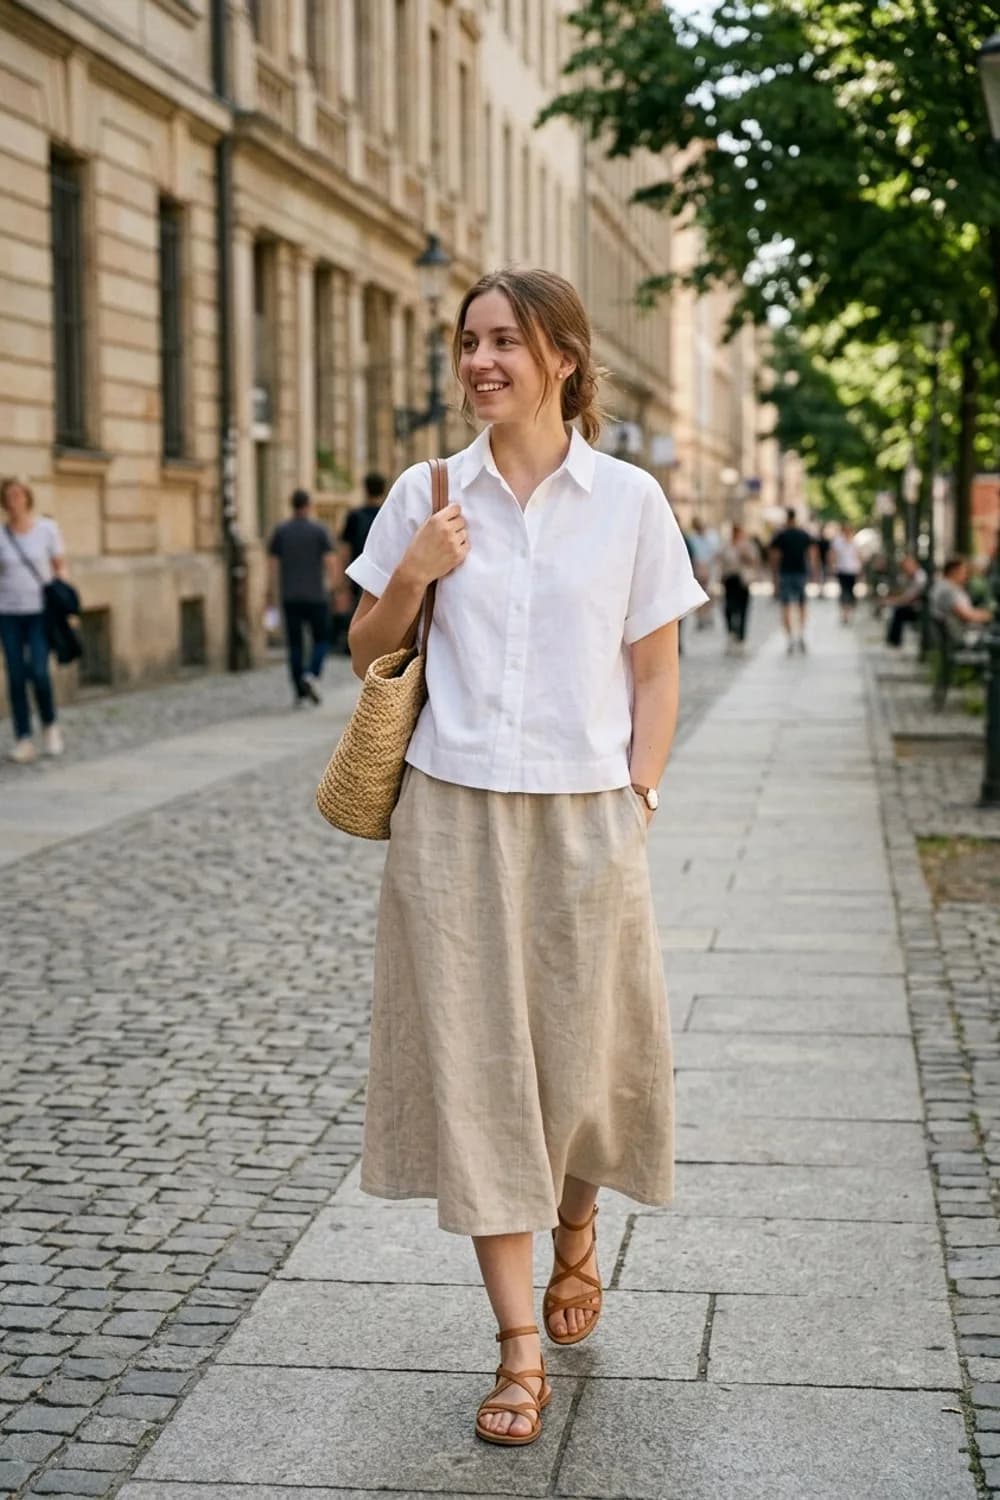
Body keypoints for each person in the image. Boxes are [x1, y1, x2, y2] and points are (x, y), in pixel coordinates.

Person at [345, 268, 707, 1448]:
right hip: (449, 814)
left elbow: (654, 669)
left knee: (581, 1054)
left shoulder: (629, 500)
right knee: (478, 1071)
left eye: (506, 341)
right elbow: (365, 648)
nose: (480, 361)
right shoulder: (426, 489)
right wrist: (414, 570)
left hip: (585, 811)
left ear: (563, 356)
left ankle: (578, 1231)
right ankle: (512, 1349)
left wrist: (641, 794)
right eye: (467, 343)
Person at [0, 478, 67, 763]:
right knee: (15, 676)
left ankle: (50, 726)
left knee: (38, 672)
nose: (15, 500)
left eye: (19, 494)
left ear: (28, 498)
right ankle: (24, 738)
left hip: (40, 613)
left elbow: (60, 567)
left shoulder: (47, 529)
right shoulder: (1, 535)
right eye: (9, 496)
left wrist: (65, 603)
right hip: (8, 613)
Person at [267, 489, 336, 706]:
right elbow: (330, 562)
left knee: (295, 645)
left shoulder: (281, 531)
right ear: (308, 505)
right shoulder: (319, 531)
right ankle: (312, 674)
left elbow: (272, 565)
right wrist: (333, 587)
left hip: (290, 595)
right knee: (322, 640)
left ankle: (298, 691)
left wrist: (271, 591)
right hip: (316, 595)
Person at [331, 473, 388, 654]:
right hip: (385, 570)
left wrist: (342, 577)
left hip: (359, 570)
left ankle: (357, 646)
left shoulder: (355, 516)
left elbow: (344, 548)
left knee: (359, 608)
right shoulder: (387, 512)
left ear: (365, 490)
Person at [769, 508, 819, 654]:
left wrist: (774, 577)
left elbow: (774, 556)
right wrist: (814, 572)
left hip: (785, 573)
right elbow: (812, 553)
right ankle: (801, 634)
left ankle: (790, 638)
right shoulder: (803, 534)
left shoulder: (781, 536)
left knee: (786, 607)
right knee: (801, 605)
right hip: (800, 573)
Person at [930, 556, 992, 645]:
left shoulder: (946, 586)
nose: (967, 575)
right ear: (954, 571)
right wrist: (987, 615)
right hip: (964, 635)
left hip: (962, 632)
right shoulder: (947, 590)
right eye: (964, 571)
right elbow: (966, 615)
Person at [717, 521, 757, 653]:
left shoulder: (747, 545)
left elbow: (754, 561)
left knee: (743, 610)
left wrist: (743, 553)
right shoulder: (726, 546)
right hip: (730, 581)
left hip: (743, 581)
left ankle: (741, 638)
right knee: (729, 608)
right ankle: (731, 633)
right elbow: (720, 561)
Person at [884, 554, 927, 648]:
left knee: (899, 612)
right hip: (915, 606)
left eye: (907, 566)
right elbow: (904, 594)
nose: (905, 569)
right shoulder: (911, 577)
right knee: (898, 611)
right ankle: (893, 641)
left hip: (921, 609)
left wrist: (893, 601)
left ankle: (894, 642)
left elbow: (909, 597)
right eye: (904, 567)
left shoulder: (920, 577)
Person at [687, 517, 718, 628]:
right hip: (697, 570)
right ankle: (700, 618)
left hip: (710, 569)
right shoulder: (692, 539)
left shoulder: (711, 537)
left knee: (710, 595)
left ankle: (708, 615)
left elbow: (715, 553)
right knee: (698, 596)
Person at [829, 522, 862, 625]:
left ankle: (849, 611)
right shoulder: (838, 542)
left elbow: (859, 556)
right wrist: (833, 566)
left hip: (853, 570)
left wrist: (860, 569)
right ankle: (844, 613)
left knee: (851, 591)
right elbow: (833, 554)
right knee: (843, 591)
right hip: (842, 570)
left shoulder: (855, 541)